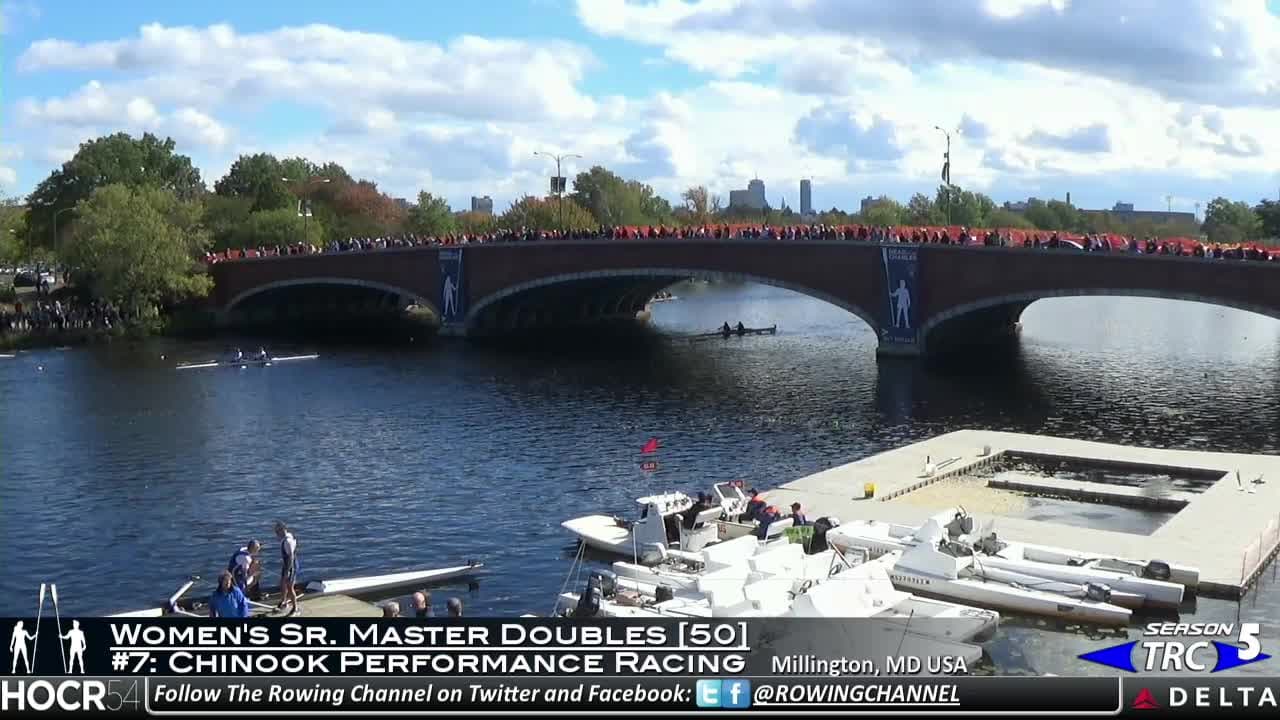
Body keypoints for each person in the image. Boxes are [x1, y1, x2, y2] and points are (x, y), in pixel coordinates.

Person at [274, 521, 300, 616]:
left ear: (283, 529)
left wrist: (288, 571)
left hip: (290, 566)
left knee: (290, 587)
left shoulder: (287, 541)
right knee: (283, 584)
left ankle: (295, 608)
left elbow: (291, 557)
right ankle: (283, 602)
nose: (276, 534)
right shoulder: (286, 537)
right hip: (286, 565)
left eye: (278, 531)